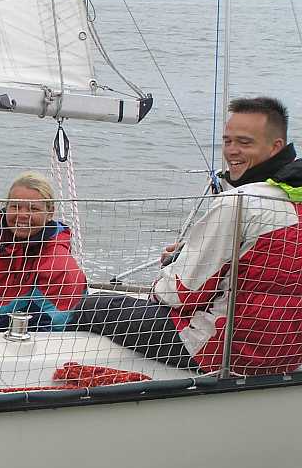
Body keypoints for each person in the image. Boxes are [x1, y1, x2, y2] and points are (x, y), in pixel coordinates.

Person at [72, 96, 302, 375]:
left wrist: (173, 266)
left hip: (223, 352)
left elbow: (180, 294)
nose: (232, 151)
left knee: (93, 307)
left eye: (244, 142)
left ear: (275, 146)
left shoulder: (240, 202)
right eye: (227, 141)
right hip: (289, 352)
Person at [0, 172, 86, 332]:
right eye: (15, 207)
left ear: (50, 213)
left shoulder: (59, 265)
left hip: (16, 342)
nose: (22, 215)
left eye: (33, 209)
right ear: (6, 207)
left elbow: (53, 325)